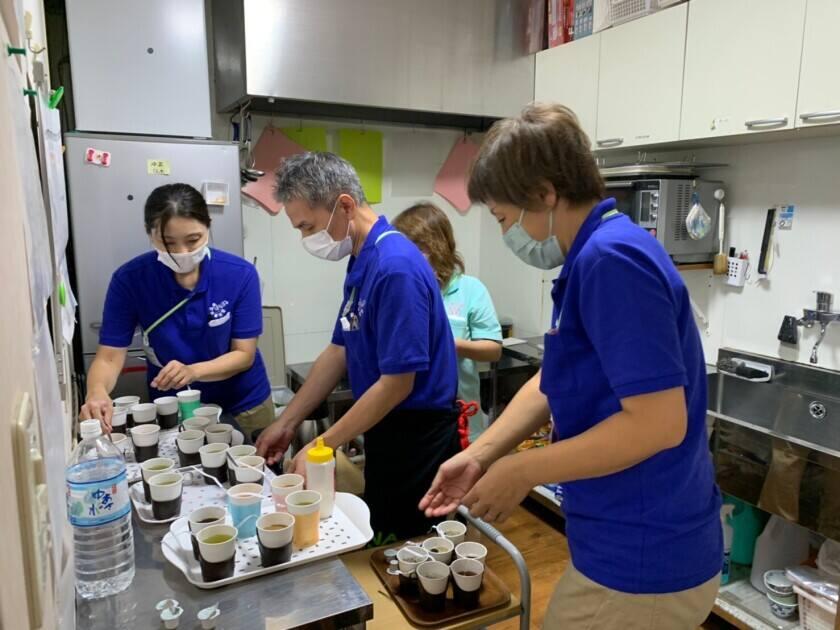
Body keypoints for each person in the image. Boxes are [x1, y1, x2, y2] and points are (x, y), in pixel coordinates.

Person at [420, 104, 722, 629]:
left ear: (544, 193)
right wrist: (484, 455)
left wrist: (524, 468)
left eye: (503, 218)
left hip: (643, 554)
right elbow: (552, 380)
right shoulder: (590, 257)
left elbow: (658, 423)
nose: (507, 233)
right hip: (619, 540)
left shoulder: (612, 261)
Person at [256, 152, 460, 542]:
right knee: (383, 531)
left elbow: (397, 384)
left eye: (308, 226)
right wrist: (287, 422)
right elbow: (339, 351)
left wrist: (321, 444)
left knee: (414, 546)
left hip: (418, 436)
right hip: (388, 427)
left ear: (345, 205)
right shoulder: (362, 260)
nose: (306, 239)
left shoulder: (395, 266)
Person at [79, 183, 274, 439]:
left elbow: (243, 354)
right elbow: (109, 357)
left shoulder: (238, 274)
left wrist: (193, 371)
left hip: (244, 404)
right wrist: (96, 392)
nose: (182, 253)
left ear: (208, 228)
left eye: (193, 240)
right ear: (150, 234)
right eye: (168, 242)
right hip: (173, 408)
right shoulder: (130, 280)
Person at [392, 203, 502, 442]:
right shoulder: (401, 290)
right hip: (410, 421)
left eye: (416, 248)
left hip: (461, 422)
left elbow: (493, 350)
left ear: (437, 247)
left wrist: (450, 344)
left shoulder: (470, 289)